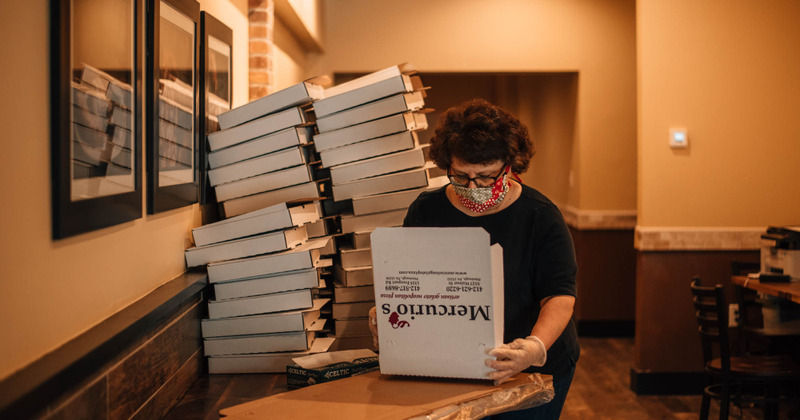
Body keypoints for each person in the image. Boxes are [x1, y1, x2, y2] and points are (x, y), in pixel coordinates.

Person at [369, 98, 579, 419]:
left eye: (486, 176)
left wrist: (534, 347)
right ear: (447, 166)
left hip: (533, 358)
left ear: (509, 166)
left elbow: (560, 296)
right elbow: (410, 279)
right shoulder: (427, 209)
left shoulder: (541, 216)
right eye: (461, 175)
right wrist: (390, 313)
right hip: (454, 357)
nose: (474, 186)